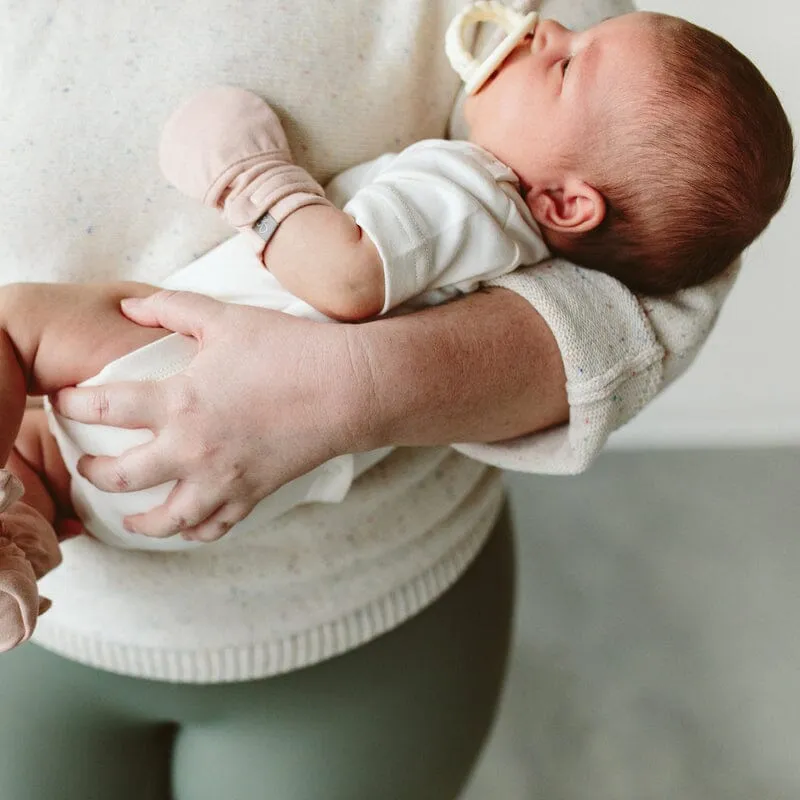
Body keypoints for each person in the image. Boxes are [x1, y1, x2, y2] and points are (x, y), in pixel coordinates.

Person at [0, 0, 764, 797]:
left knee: (14, 331)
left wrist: (249, 177)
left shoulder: (466, 186)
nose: (540, 29)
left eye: (566, 62)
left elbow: (350, 275)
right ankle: (18, 531)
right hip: (181, 516)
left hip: (325, 574)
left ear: (569, 206)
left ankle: (15, 523)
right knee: (49, 455)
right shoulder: (486, 203)